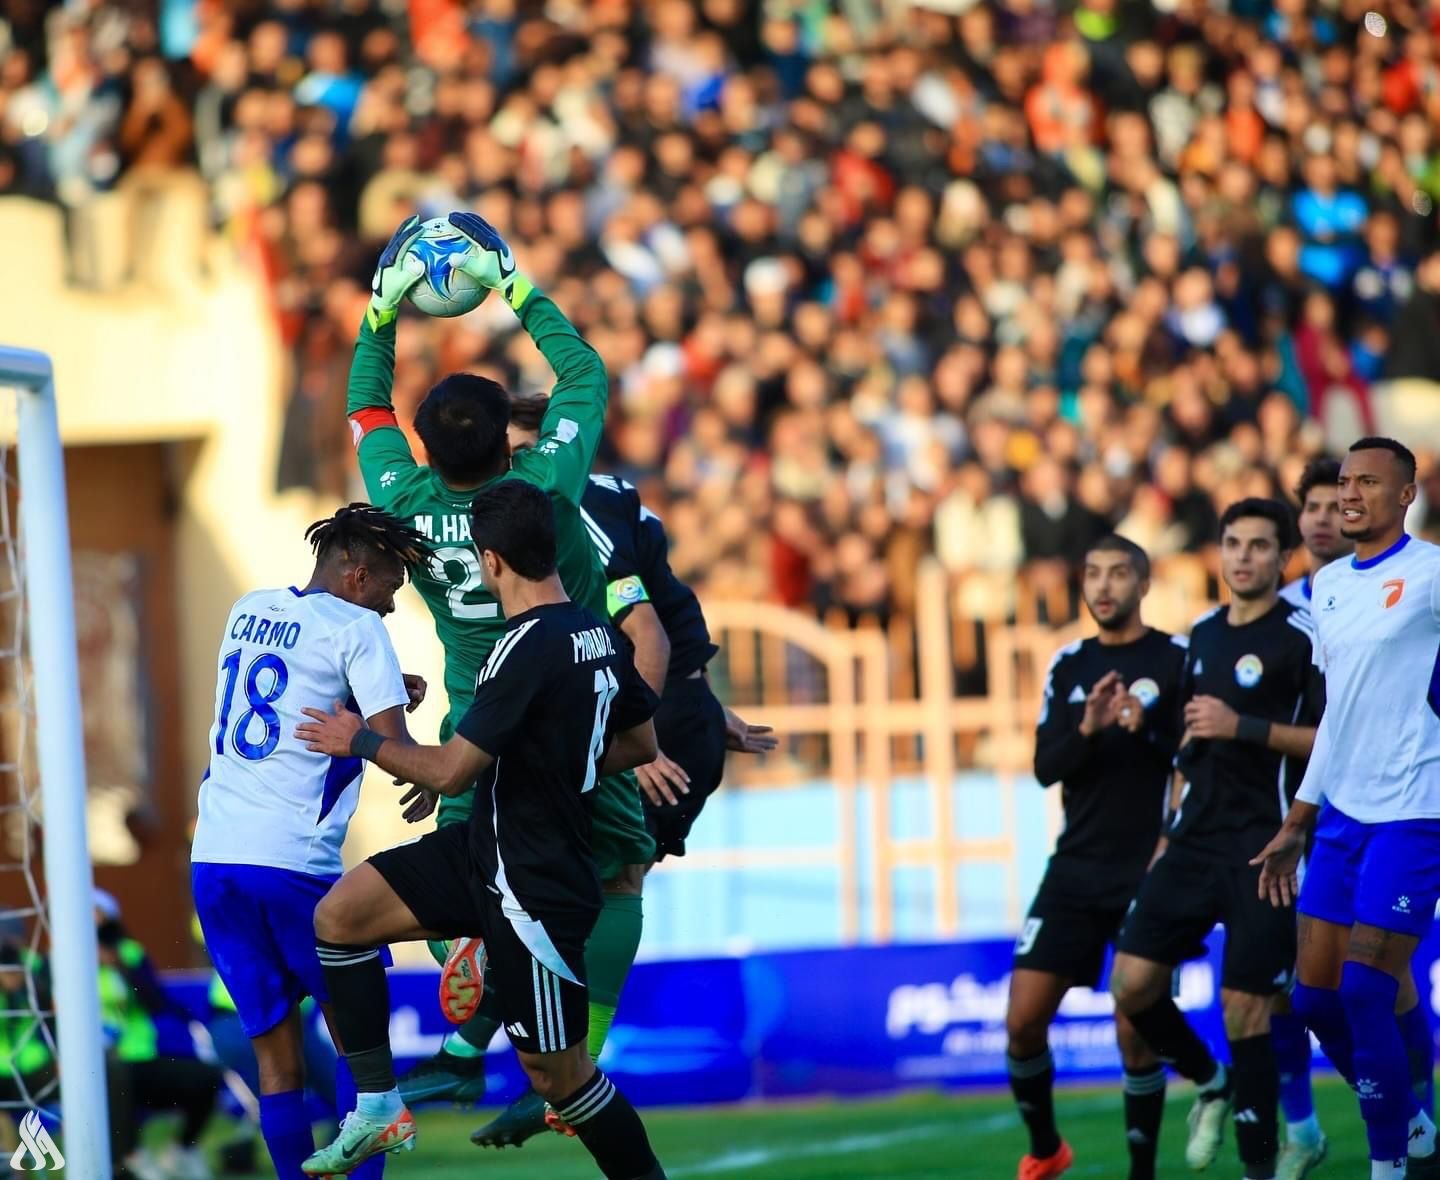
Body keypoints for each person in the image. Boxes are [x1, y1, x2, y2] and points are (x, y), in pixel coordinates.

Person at [351, 214, 656, 1121]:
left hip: (474, 720)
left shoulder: (401, 500)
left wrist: (382, 314)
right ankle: (570, 1071)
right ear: (503, 441)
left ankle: (464, 1020)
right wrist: (514, 283)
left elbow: (367, 407)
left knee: (478, 876)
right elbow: (584, 376)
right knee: (616, 879)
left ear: (428, 451)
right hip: (571, 710)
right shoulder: (541, 493)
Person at [294, 481, 666, 1180]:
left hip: (533, 886)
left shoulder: (522, 646)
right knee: (340, 917)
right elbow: (641, 741)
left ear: (491, 560)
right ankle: (378, 1106)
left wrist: (360, 741)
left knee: (561, 1080)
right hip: (481, 851)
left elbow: (451, 773)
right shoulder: (594, 629)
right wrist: (559, 758)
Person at [190, 504, 434, 1180]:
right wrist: (426, 761)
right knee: (362, 1046)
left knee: (277, 1058)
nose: (390, 605)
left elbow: (292, 696)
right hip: (293, 862)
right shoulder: (359, 628)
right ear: (357, 576)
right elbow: (398, 750)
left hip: (215, 858)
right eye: (389, 587)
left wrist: (386, 692)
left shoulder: (249, 606)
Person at [1110, 498, 1324, 1180]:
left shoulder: (1304, 636)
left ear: (1281, 557)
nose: (1243, 556)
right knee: (1132, 985)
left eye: (1259, 546)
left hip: (1264, 846)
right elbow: (1185, 740)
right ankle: (1209, 1079)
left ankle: (1259, 1169)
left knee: (1246, 1009)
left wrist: (1245, 728)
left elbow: (1330, 741)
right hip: (1192, 842)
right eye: (1233, 543)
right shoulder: (1200, 635)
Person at [1252, 437, 1440, 1180]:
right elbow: (1337, 715)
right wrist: (1299, 818)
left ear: (1405, 495)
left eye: (1368, 481)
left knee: (1366, 987)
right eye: (1344, 482)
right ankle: (1413, 1120)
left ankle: (1388, 1165)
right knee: (1315, 1001)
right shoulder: (1327, 587)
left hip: (1416, 811)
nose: (1351, 493)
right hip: (1340, 816)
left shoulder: (1431, 573)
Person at [1005, 535, 1186, 1180]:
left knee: (1134, 1028)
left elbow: (1197, 761)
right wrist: (1088, 726)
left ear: (1143, 583)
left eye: (1117, 574)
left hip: (1150, 869)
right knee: (1023, 1020)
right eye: (1093, 574)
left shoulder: (1177, 659)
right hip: (1075, 867)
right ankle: (1047, 1148)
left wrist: (1149, 729)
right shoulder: (1068, 664)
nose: (1103, 586)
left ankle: (1141, 1171)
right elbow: (1045, 768)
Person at [1272, 456, 1349, 1178]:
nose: (1325, 516)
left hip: (1379, 809)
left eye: (1338, 503)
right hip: (1292, 817)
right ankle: (1301, 1125)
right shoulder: (1279, 610)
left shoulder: (1401, 591)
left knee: (1378, 983)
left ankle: (1410, 1118)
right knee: (1288, 985)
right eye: (1313, 505)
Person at [98, 890, 224, 1180]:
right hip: (97, 1066)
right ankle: (129, 1158)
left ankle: (181, 1151)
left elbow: (156, 1002)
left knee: (206, 1077)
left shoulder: (129, 953)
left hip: (140, 1058)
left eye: (98, 912)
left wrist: (118, 964)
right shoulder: (62, 962)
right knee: (116, 1075)